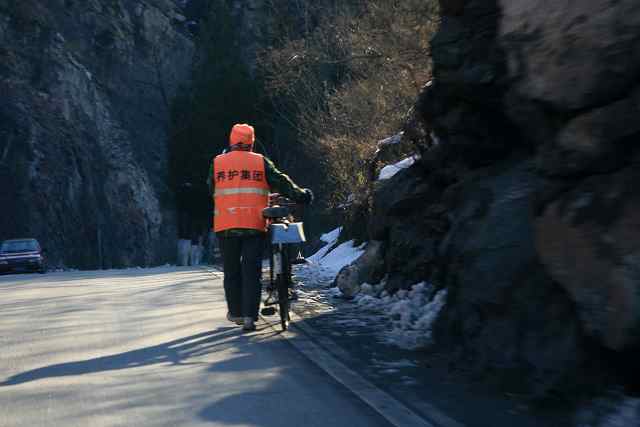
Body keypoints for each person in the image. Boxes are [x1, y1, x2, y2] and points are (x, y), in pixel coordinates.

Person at [209, 123, 313, 331]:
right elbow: (281, 181)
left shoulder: (218, 163)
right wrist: (301, 194)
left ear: (231, 140)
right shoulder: (260, 162)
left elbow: (212, 187)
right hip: (253, 225)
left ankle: (236, 312)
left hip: (226, 225)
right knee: (251, 270)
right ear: (251, 142)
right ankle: (249, 317)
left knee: (231, 271)